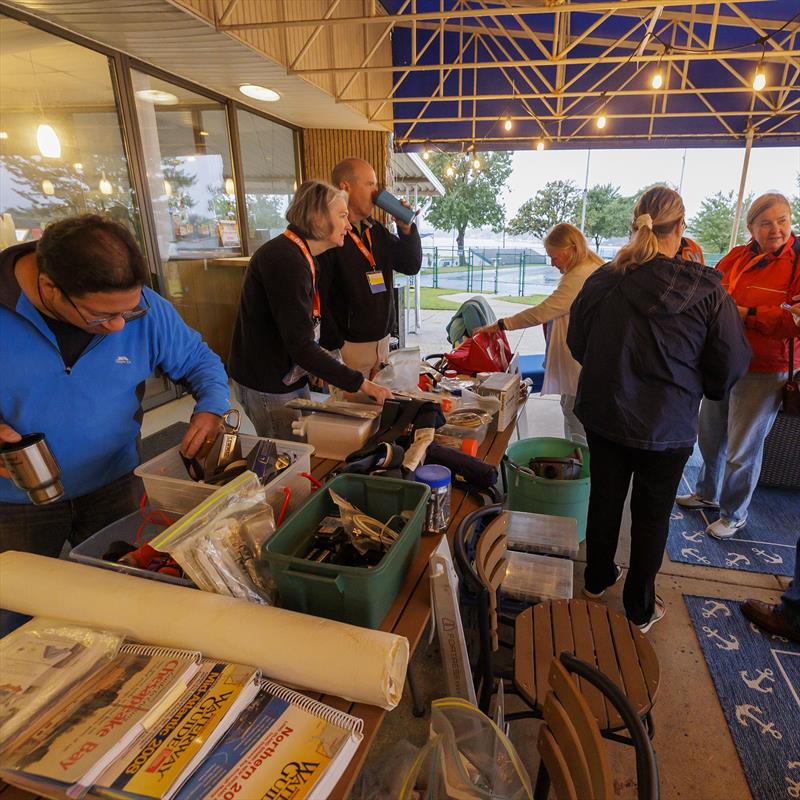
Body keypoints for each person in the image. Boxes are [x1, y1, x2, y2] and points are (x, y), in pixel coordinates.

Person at [567, 186, 751, 632]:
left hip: (606, 415)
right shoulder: (706, 291)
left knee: (606, 499)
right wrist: (696, 390)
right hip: (666, 427)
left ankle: (596, 578)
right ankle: (639, 607)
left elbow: (578, 343)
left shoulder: (605, 279)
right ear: (681, 228)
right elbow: (729, 362)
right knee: (651, 517)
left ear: (638, 226)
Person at [0, 214, 230, 558]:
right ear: (50, 288)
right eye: (101, 317)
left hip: (116, 484)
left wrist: (212, 406)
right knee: (19, 604)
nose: (120, 326)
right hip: (15, 501)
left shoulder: (143, 307)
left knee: (122, 585)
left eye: (129, 311)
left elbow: (199, 359)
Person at [677, 193, 800, 539]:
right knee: (710, 433)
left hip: (765, 367)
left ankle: (734, 513)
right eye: (766, 222)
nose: (776, 229)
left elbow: (794, 319)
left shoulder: (797, 260)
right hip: (723, 360)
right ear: (751, 227)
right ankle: (707, 493)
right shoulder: (736, 256)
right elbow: (711, 290)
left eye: (783, 220)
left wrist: (748, 314)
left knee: (742, 446)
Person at [229, 180, 392, 440]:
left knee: (304, 444)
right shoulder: (286, 260)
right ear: (317, 218)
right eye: (342, 216)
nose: (348, 226)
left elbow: (301, 327)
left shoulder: (300, 254)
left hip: (287, 375)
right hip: (268, 380)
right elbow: (300, 344)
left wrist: (315, 368)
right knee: (287, 455)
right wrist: (360, 383)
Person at [475, 223, 603, 444]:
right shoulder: (588, 267)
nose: (552, 263)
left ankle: (581, 466)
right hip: (587, 360)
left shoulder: (580, 276)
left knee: (575, 413)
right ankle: (578, 460)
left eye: (554, 257)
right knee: (571, 408)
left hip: (582, 363)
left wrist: (501, 324)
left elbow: (543, 312)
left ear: (571, 248)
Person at [318, 157, 423, 379]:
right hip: (349, 347)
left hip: (382, 342)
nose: (377, 192)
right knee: (352, 410)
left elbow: (410, 265)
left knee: (381, 407)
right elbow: (320, 296)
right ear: (345, 187)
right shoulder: (329, 236)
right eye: (370, 184)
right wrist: (335, 346)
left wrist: (406, 229)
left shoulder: (376, 231)